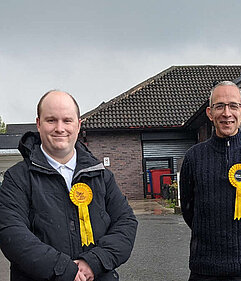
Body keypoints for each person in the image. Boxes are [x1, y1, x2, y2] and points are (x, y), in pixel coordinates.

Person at [0, 90, 138, 281]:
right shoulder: (17, 178)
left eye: (67, 120)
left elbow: (126, 223)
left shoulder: (102, 175)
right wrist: (65, 270)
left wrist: (93, 262)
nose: (60, 128)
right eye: (51, 120)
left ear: (78, 125)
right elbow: (11, 233)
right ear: (38, 124)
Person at [180, 81, 241, 281]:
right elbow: (188, 209)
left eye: (233, 106)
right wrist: (210, 235)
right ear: (210, 113)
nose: (226, 113)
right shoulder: (193, 157)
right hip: (203, 268)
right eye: (220, 106)